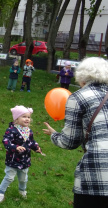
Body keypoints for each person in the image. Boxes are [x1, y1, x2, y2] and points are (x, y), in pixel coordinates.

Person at [43, 57, 108, 207]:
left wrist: (54, 135)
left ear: (82, 77)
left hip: (97, 174)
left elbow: (69, 142)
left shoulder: (79, 97)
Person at [0, 105, 43, 203]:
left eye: (28, 117)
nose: (27, 119)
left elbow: (31, 142)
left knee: (23, 179)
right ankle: (0, 192)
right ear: (16, 119)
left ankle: (22, 191)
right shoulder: (12, 130)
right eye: (24, 116)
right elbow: (6, 141)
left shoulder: (28, 131)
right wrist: (15, 147)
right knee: (9, 177)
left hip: (25, 160)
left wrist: (36, 147)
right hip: (13, 159)